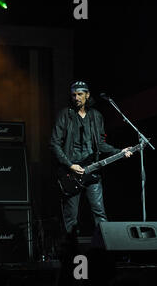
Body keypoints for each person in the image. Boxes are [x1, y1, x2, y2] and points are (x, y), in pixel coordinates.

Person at [49, 81, 132, 235]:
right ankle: (71, 253)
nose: (76, 98)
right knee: (71, 217)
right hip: (72, 172)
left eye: (80, 94)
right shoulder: (65, 115)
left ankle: (104, 251)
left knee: (99, 212)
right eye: (73, 94)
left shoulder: (96, 116)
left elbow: (100, 144)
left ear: (87, 95)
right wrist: (70, 165)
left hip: (92, 171)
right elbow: (54, 144)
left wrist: (119, 151)